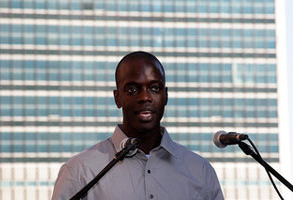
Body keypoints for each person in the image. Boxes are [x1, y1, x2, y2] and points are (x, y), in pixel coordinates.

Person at [51, 51, 224, 200]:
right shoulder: (79, 170)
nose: (145, 97)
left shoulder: (201, 171)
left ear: (165, 96)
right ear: (117, 98)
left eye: (155, 88)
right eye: (132, 90)